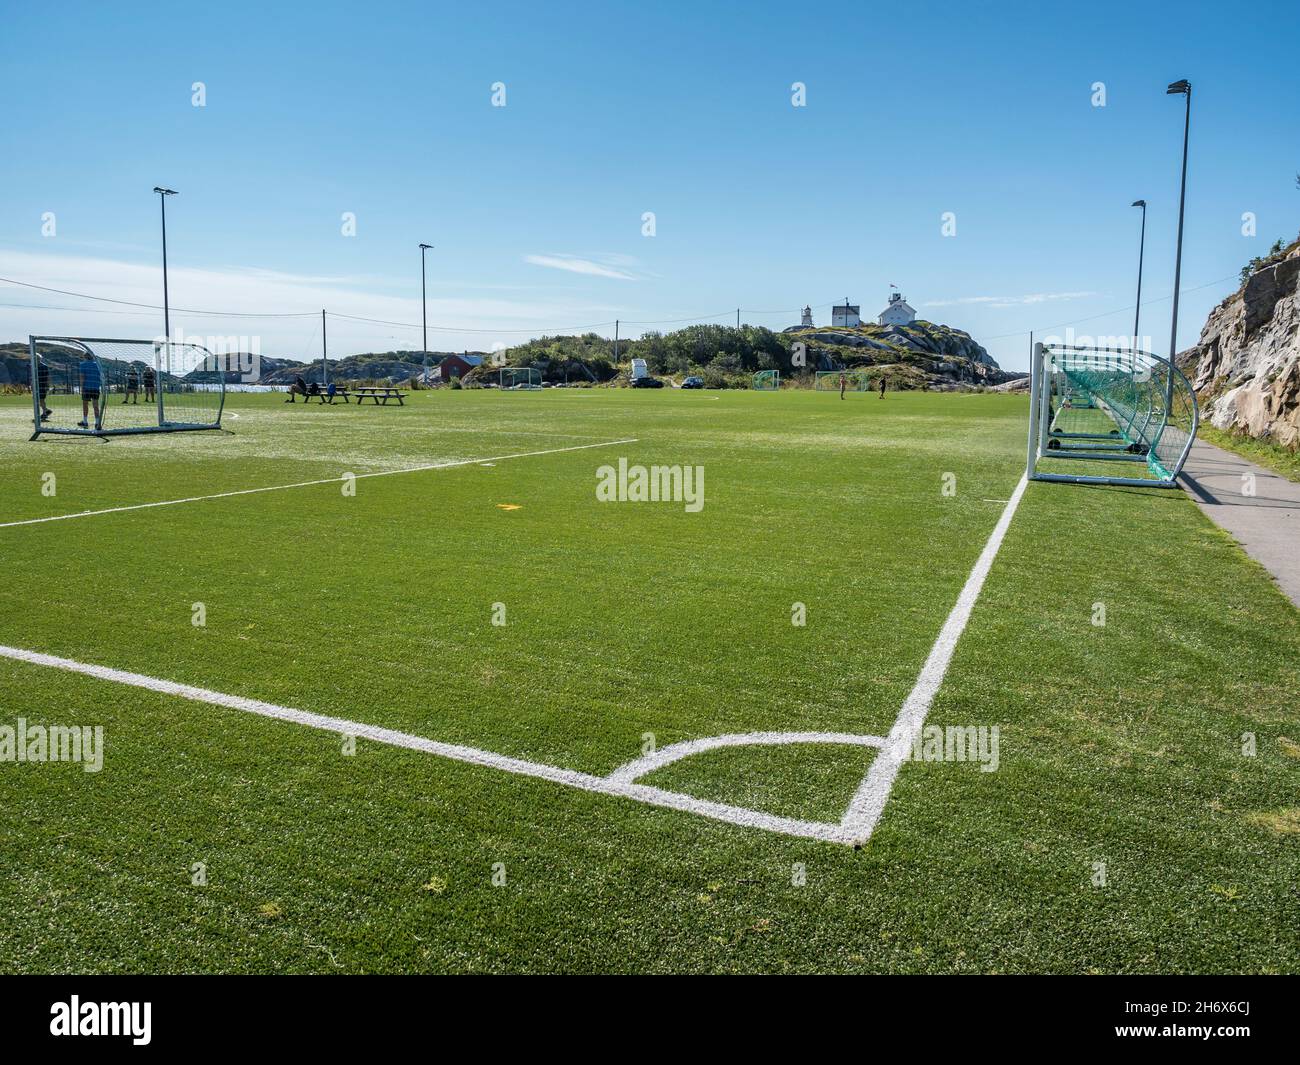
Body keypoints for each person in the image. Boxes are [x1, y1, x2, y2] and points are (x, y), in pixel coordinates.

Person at [78, 354, 102, 429]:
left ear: (85, 357)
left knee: (85, 405)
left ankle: (85, 421)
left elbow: (82, 377)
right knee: (95, 405)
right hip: (96, 387)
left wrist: (81, 388)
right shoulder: (98, 365)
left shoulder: (83, 365)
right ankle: (97, 422)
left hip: (86, 388)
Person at [35, 356, 52, 422]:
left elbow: (47, 376)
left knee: (41, 399)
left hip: (42, 385)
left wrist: (47, 385)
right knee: (38, 399)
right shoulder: (34, 366)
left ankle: (45, 412)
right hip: (36, 385)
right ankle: (46, 411)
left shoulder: (44, 366)